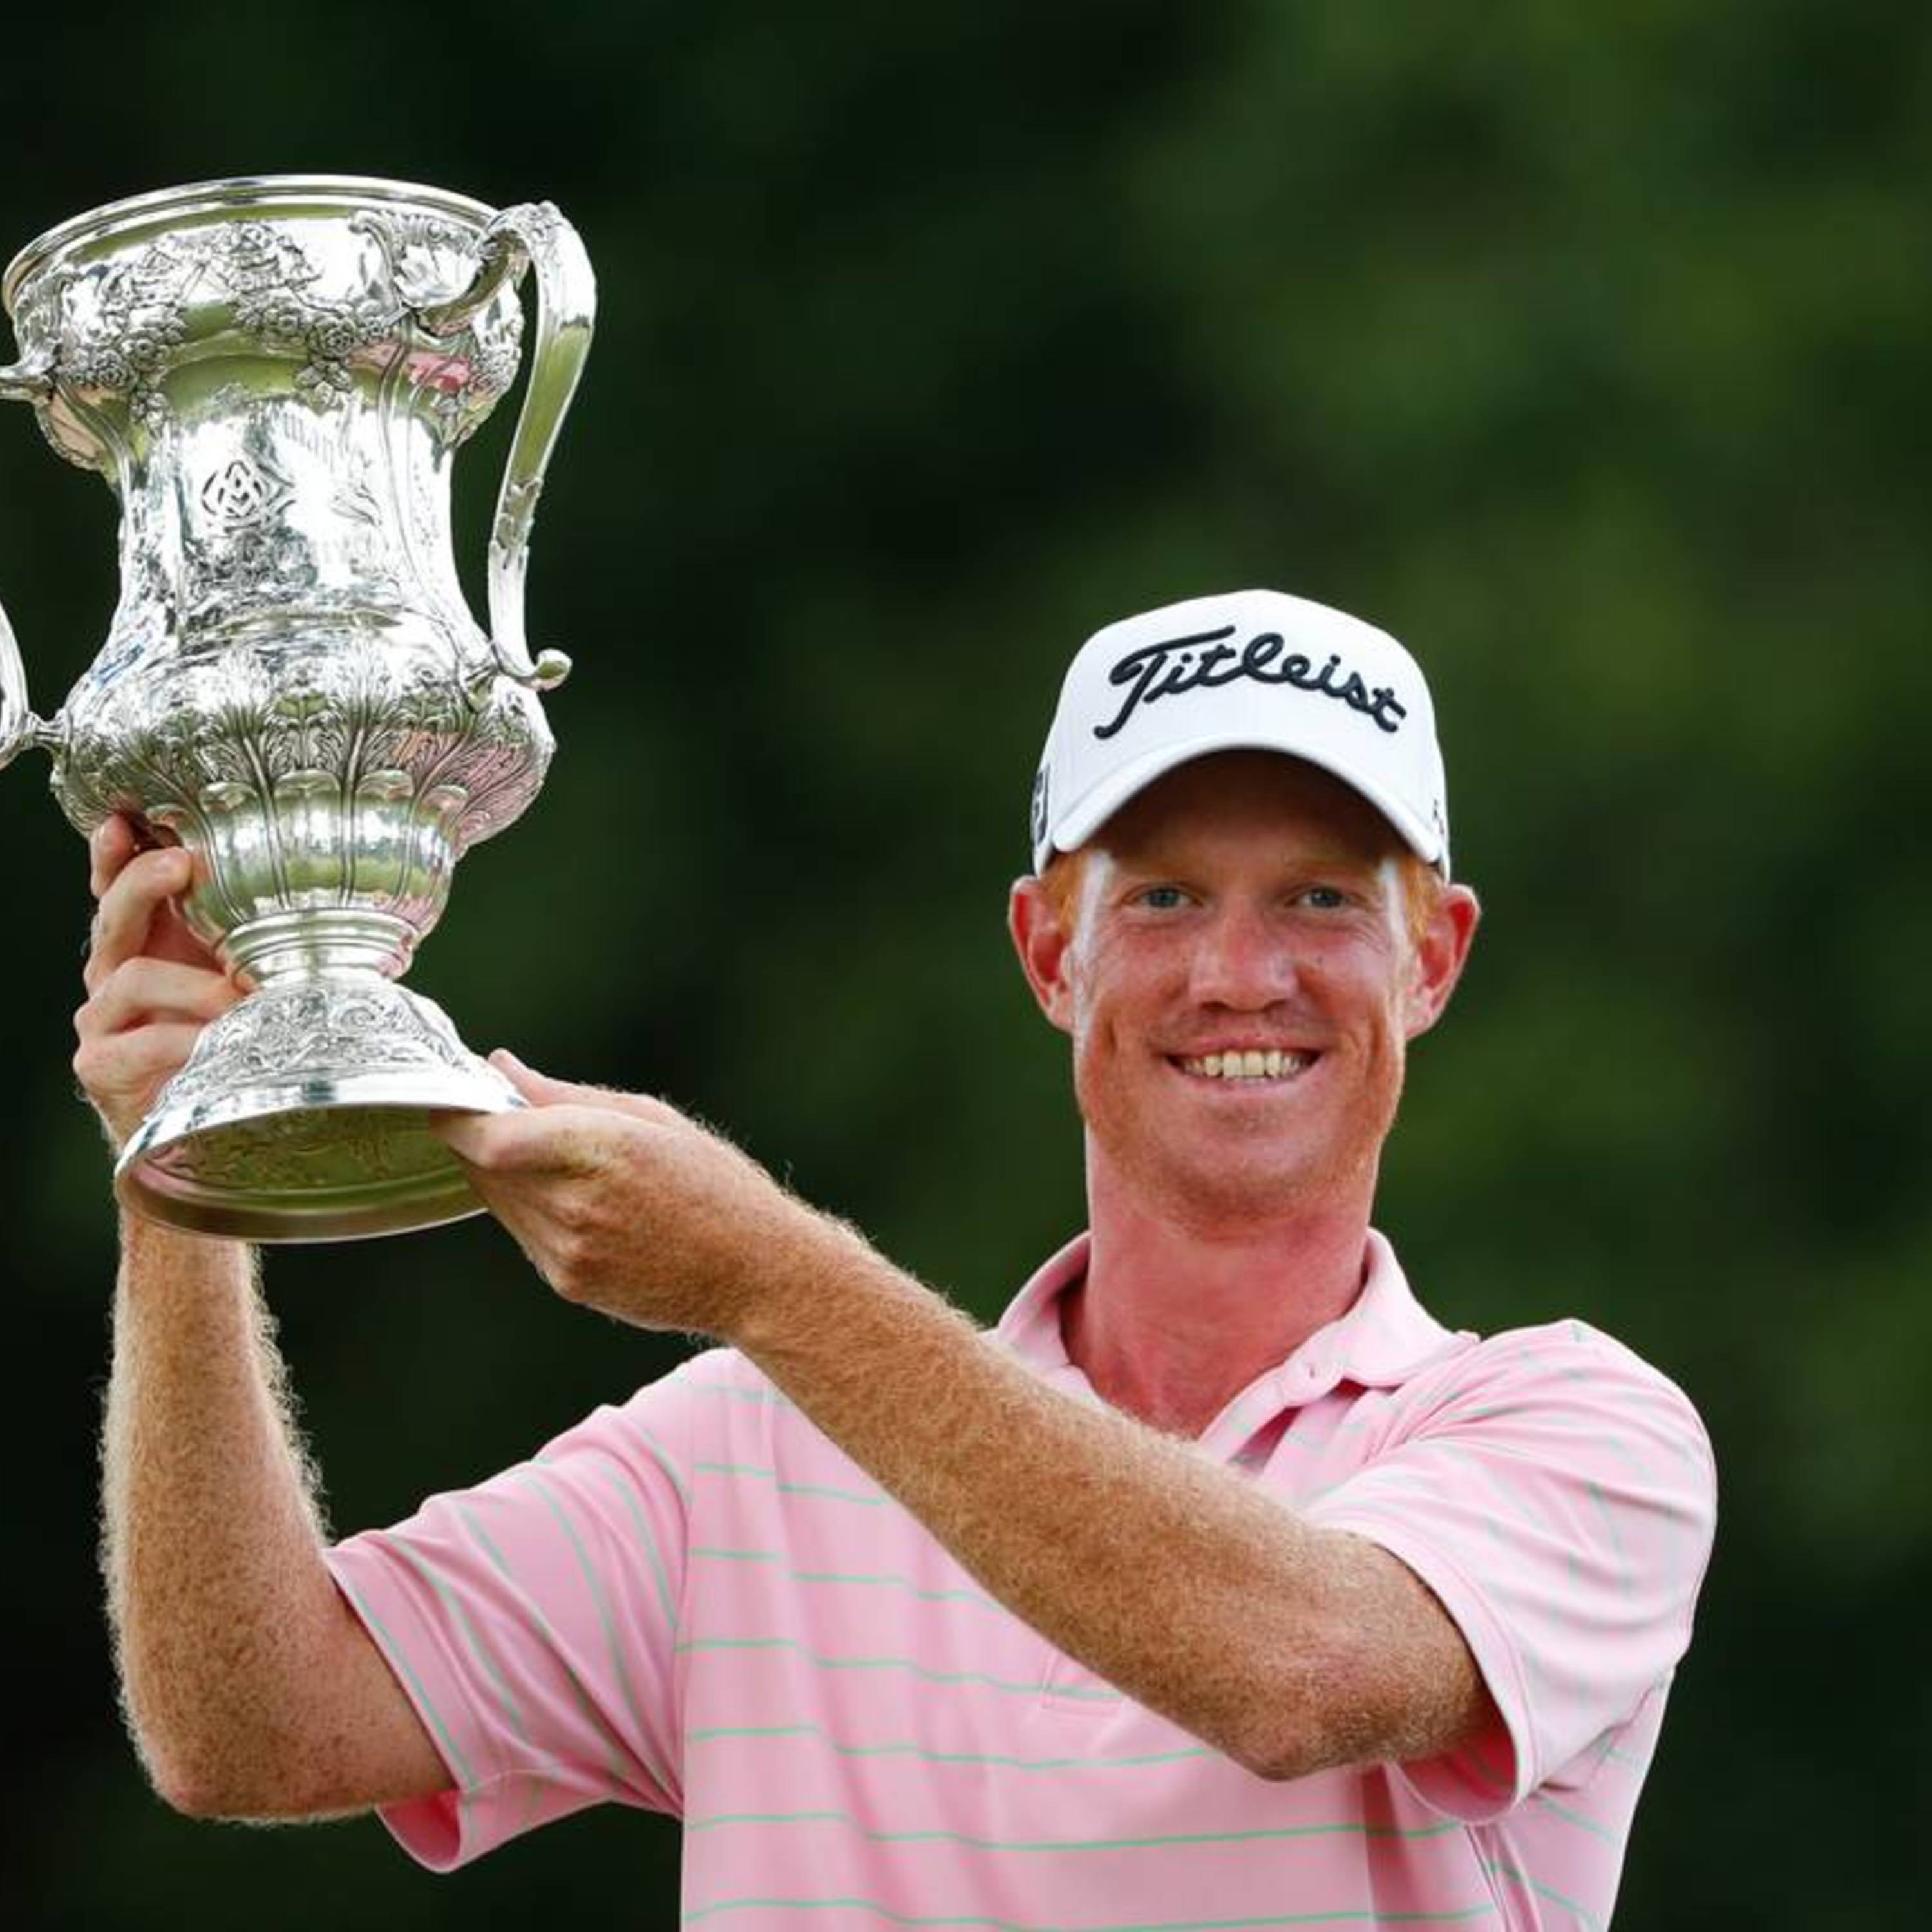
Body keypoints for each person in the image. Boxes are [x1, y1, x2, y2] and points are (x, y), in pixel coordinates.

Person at [77, 587, 1716, 1928]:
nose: (1238, 973)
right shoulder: (742, 1451)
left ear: (1433, 957)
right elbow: (252, 1724)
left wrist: (767, 1277)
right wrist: (187, 1180)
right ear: (1044, 953)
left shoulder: (1577, 1430)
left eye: (1316, 899)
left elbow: (1300, 1673)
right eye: (1156, 897)